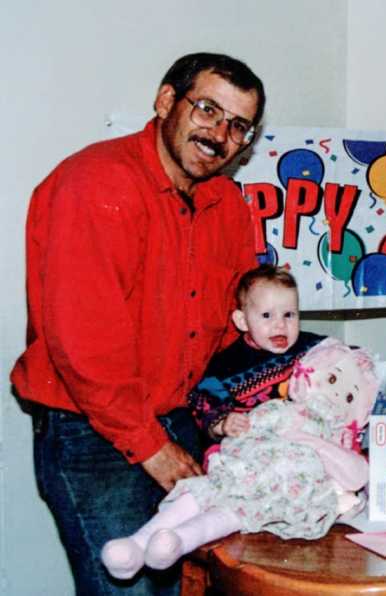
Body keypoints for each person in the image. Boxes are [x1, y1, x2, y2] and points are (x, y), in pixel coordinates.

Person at [11, 52, 266, 596]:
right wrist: (153, 448)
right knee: (129, 590)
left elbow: (231, 327)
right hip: (91, 431)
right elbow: (86, 347)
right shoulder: (94, 184)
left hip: (182, 416)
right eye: (207, 110)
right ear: (166, 101)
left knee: (194, 580)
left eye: (238, 125)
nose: (220, 134)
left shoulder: (228, 203)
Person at [100, 337, 379, 580]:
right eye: (331, 379)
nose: (337, 394)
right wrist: (227, 427)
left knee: (231, 516)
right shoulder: (283, 409)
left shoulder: (334, 437)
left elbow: (355, 474)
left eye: (351, 395)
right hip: (241, 472)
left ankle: (178, 542)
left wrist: (313, 442)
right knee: (199, 495)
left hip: (269, 497)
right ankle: (136, 543)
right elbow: (249, 426)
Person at [188, 264, 324, 445]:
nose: (280, 324)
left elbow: (339, 354)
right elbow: (202, 402)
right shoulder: (226, 364)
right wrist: (222, 424)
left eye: (289, 314)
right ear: (242, 321)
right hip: (249, 447)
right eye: (267, 315)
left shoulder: (308, 347)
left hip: (301, 440)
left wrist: (358, 361)